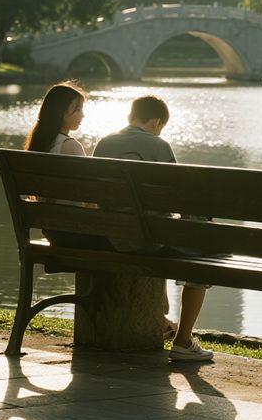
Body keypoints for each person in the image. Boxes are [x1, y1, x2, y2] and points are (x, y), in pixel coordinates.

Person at [93, 95, 213, 363]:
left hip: (113, 236)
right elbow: (178, 196)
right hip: (148, 238)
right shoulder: (158, 145)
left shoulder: (104, 143)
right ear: (157, 122)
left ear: (129, 117)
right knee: (207, 248)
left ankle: (167, 324)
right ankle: (183, 341)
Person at [25, 81, 108, 249]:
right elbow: (90, 201)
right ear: (60, 113)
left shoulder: (40, 144)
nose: (82, 115)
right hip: (77, 233)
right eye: (77, 109)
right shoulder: (70, 146)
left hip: (52, 231)